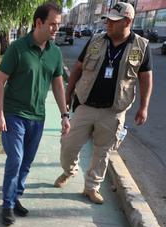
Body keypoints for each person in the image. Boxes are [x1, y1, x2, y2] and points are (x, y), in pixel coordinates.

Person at [54, 2, 153, 204]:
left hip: (113, 111)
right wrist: (68, 93)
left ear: (128, 21)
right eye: (107, 19)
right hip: (86, 105)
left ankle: (91, 187)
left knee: (102, 152)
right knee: (68, 145)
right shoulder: (96, 40)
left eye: (114, 21)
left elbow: (145, 78)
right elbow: (78, 69)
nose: (108, 23)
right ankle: (69, 170)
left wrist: (144, 107)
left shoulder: (141, 46)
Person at [0, 2, 70, 226]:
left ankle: (16, 197)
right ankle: (7, 205)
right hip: (14, 113)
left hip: (38, 117)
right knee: (15, 158)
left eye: (58, 24)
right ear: (39, 23)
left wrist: (65, 115)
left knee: (26, 161)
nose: (56, 29)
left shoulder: (54, 52)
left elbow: (57, 85)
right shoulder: (18, 48)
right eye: (53, 24)